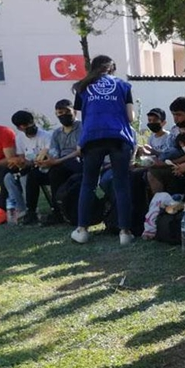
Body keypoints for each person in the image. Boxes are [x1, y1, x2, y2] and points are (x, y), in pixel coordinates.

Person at [70, 55, 136, 245]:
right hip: (119, 137)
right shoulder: (123, 86)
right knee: (121, 184)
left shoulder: (82, 86)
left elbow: (83, 116)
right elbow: (130, 117)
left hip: (92, 138)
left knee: (88, 184)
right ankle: (125, 233)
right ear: (111, 68)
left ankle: (82, 230)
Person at [26, 99, 84, 225]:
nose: (63, 115)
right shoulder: (57, 133)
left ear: (74, 111)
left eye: (66, 112)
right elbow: (54, 152)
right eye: (59, 113)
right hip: (59, 164)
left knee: (56, 171)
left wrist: (56, 162)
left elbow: (80, 151)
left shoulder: (83, 127)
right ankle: (31, 212)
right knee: (34, 175)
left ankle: (58, 212)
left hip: (78, 163)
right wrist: (44, 161)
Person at [9, 110, 53, 225]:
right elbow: (24, 160)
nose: (29, 127)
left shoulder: (46, 136)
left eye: (30, 123)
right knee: (9, 178)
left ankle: (31, 210)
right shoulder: (19, 139)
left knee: (28, 177)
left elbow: (49, 156)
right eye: (25, 126)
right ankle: (24, 211)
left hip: (47, 168)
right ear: (19, 128)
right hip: (32, 168)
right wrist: (20, 162)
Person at [0, 124, 17, 213]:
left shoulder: (5, 132)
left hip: (7, 166)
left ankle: (3, 209)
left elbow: (10, 158)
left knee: (4, 172)